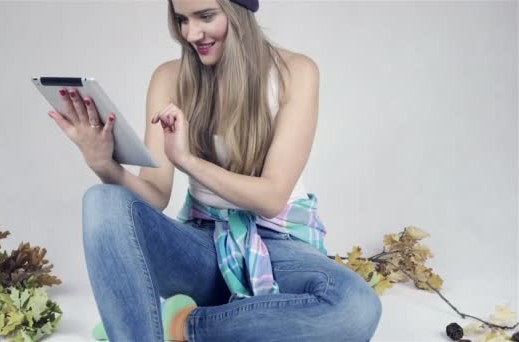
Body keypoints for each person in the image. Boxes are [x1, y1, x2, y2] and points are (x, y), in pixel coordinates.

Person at [48, 0, 382, 340]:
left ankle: (178, 328)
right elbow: (154, 195)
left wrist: (189, 160)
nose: (192, 34)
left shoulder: (295, 72)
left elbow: (271, 196)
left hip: (278, 245)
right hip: (200, 245)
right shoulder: (170, 77)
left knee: (355, 307)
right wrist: (105, 164)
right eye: (181, 19)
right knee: (102, 199)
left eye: (206, 16)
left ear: (239, 13)